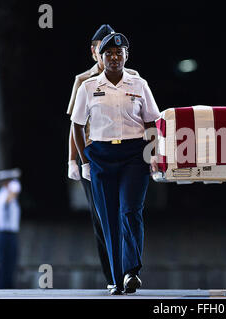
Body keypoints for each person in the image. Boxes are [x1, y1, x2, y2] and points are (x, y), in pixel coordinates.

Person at [71, 32, 160, 295]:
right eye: (108, 53)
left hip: (134, 155)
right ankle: (116, 277)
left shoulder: (139, 84)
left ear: (126, 56)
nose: (114, 57)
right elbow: (76, 125)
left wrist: (152, 155)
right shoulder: (88, 87)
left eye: (119, 53)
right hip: (100, 156)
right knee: (108, 218)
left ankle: (132, 271)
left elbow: (151, 123)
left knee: (130, 211)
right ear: (100, 56)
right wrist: (83, 160)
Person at [0, 168, 22, 289]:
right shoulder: (4, 194)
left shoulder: (8, 194)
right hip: (5, 234)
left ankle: (9, 286)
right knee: (5, 262)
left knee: (11, 262)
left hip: (11, 234)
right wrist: (13, 189)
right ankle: (3, 287)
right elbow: (7, 200)